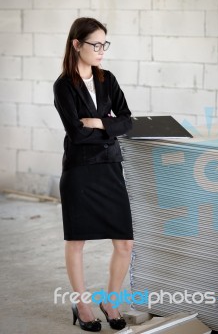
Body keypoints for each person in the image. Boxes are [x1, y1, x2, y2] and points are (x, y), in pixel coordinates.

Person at [53, 17, 134, 332]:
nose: (101, 50)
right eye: (95, 44)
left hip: (110, 167)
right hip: (79, 171)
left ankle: (110, 301)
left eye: (105, 44)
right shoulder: (64, 85)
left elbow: (127, 122)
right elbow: (75, 133)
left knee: (125, 242)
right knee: (76, 242)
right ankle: (82, 304)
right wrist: (108, 126)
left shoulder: (108, 79)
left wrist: (99, 123)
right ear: (77, 44)